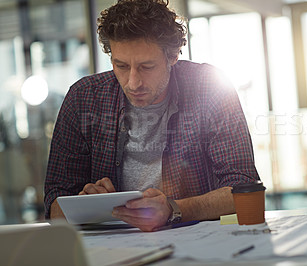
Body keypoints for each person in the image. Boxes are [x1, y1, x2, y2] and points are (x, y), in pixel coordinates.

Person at [44, 0, 260, 232]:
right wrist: (86, 204)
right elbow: (54, 204)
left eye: (147, 67)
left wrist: (173, 209)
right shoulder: (84, 97)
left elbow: (244, 189)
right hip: (112, 247)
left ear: (173, 56)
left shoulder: (210, 87)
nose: (133, 82)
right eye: (121, 66)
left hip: (198, 242)